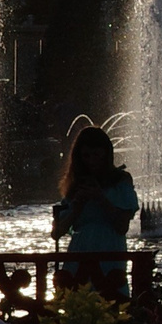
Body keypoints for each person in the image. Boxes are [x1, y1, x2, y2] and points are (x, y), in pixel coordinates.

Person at [51, 124, 139, 298]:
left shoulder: (120, 180)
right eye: (86, 156)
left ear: (106, 154)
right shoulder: (76, 185)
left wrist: (101, 199)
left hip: (109, 250)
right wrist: (77, 207)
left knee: (111, 300)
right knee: (79, 303)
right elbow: (56, 233)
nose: (91, 161)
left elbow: (122, 226)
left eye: (96, 155)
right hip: (80, 251)